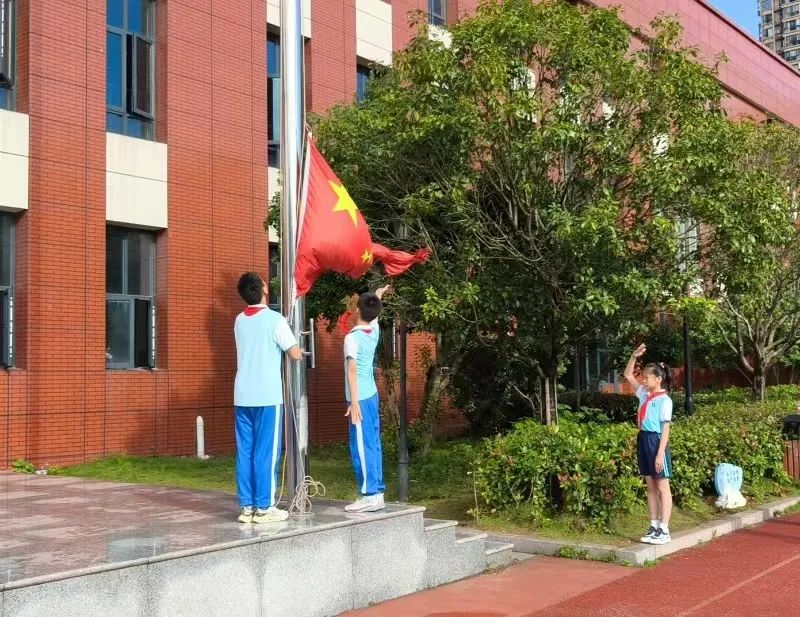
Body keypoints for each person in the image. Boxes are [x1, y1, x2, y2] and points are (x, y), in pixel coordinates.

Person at [234, 272, 302, 524]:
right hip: (267, 396)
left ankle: (247, 506)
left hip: (242, 395)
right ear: (263, 288)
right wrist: (299, 344)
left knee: (246, 452)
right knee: (266, 451)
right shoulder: (275, 319)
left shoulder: (239, 320)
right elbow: (294, 353)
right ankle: (264, 506)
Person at [343, 285, 391, 512]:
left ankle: (369, 494)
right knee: (373, 444)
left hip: (359, 398)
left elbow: (351, 371)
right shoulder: (374, 330)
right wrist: (378, 295)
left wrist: (353, 404)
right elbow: (375, 313)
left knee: (361, 446)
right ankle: (377, 491)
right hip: (371, 395)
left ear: (356, 310)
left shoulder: (351, 338)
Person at [624, 343, 673, 545]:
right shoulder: (644, 393)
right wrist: (633, 356)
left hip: (656, 440)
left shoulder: (665, 400)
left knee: (663, 486)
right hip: (643, 438)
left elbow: (665, 429)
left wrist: (660, 453)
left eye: (647, 377)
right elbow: (627, 376)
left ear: (658, 379)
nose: (644, 380)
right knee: (650, 485)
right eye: (643, 377)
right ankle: (653, 525)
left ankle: (664, 529)